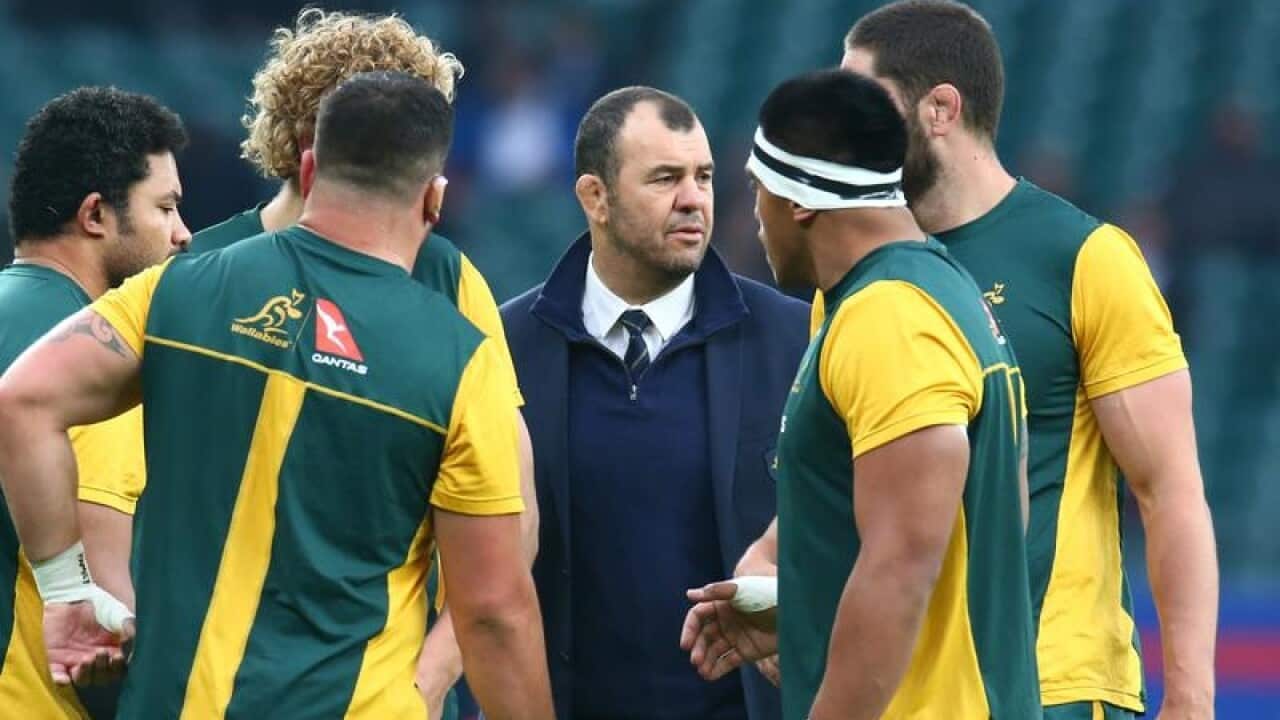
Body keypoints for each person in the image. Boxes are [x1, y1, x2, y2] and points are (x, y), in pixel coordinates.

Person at [0, 71, 554, 719]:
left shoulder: (176, 292)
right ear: (434, 199)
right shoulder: (463, 359)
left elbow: (22, 402)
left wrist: (65, 592)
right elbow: (491, 610)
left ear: (311, 170)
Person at [838, 3, 1218, 718]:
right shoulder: (858, 277)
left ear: (941, 109)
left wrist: (1192, 697)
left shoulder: (1085, 258)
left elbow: (1168, 489)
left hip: (1055, 687)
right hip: (906, 695)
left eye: (864, 103)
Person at [193, 10, 539, 717]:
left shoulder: (446, 279)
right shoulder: (199, 274)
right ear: (303, 141)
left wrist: (433, 676)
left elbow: (514, 505)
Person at [682, 68, 1038, 720]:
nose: (754, 220)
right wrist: (806, 605)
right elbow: (997, 513)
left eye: (758, 192)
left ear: (800, 201)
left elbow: (901, 568)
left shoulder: (889, 319)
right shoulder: (941, 292)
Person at [500, 85, 805, 720]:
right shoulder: (504, 348)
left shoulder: (796, 341)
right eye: (665, 178)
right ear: (595, 197)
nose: (694, 199)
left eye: (704, 177)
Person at [0, 86, 190, 718]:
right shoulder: (89, 369)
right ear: (94, 216)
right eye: (165, 208)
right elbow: (112, 609)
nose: (183, 235)